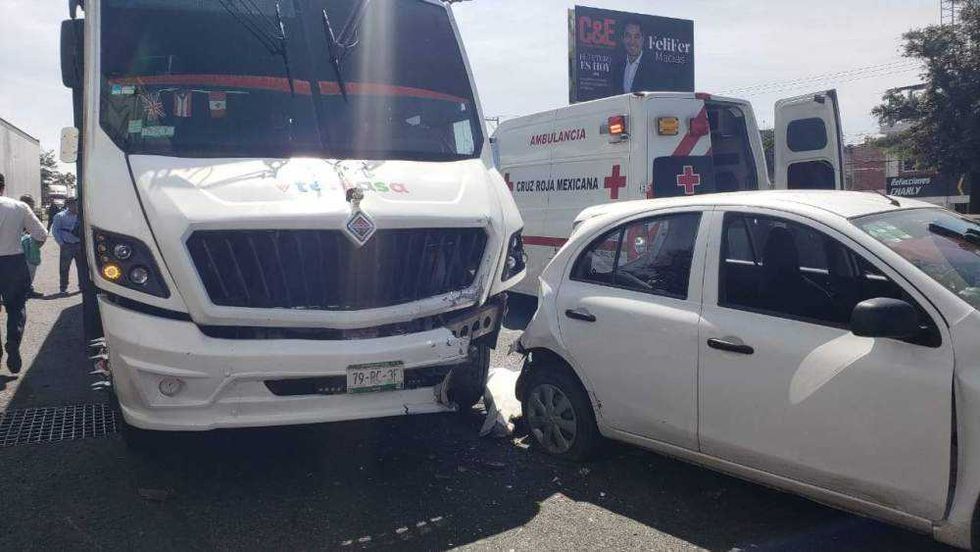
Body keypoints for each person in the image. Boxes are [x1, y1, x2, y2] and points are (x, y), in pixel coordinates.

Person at [0, 173, 48, 373]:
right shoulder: (19, 206)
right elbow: (41, 234)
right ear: (3, 186)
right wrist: (31, 248)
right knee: (16, 307)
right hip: (13, 263)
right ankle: (13, 341)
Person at [610, 20, 661, 94]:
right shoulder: (617, 68)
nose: (632, 41)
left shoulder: (654, 69)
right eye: (628, 36)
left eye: (636, 37)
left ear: (643, 39)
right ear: (623, 39)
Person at [50, 197, 82, 295]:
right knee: (64, 268)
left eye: (76, 204)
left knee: (82, 267)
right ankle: (63, 288)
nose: (75, 206)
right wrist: (61, 243)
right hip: (67, 245)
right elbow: (55, 231)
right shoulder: (60, 216)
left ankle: (82, 286)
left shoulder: (81, 216)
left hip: (79, 245)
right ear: (68, 205)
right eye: (73, 204)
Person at [18, 195, 44, 298]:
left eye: (32, 203)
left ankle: (28, 290)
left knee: (31, 270)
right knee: (21, 271)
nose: (32, 205)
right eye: (30, 203)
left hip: (32, 246)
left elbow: (39, 230)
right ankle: (22, 291)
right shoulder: (17, 214)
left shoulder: (34, 215)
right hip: (19, 246)